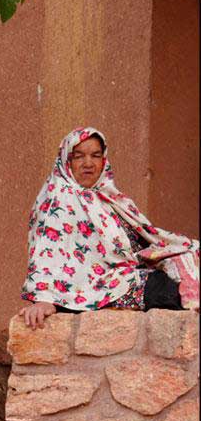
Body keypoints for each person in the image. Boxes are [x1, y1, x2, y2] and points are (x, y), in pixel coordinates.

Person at [19, 127, 199, 329]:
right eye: (79, 157)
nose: (88, 164)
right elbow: (46, 251)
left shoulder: (108, 196)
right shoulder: (58, 201)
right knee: (168, 292)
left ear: (103, 159)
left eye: (95, 156)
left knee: (190, 258)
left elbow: (143, 235)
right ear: (66, 161)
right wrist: (44, 298)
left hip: (130, 271)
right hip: (95, 285)